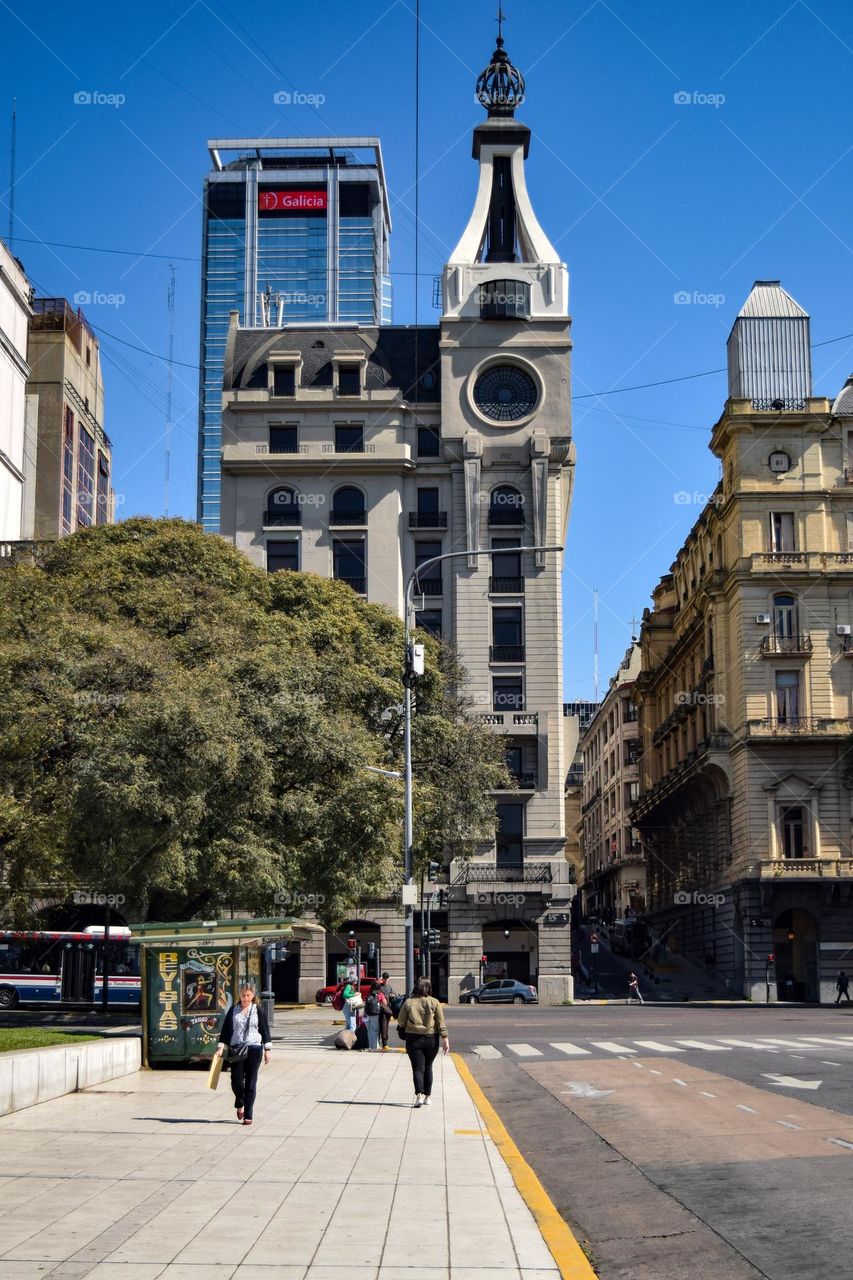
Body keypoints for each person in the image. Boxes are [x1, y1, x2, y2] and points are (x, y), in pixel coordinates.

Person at [215, 984, 271, 1125]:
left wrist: (267, 1050)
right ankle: (240, 1101)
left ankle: (248, 1115)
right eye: (242, 995)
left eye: (248, 995)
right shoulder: (233, 1010)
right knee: (236, 1080)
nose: (245, 998)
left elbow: (264, 1030)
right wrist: (221, 1047)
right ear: (239, 996)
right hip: (237, 1048)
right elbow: (226, 1030)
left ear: (253, 996)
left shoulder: (258, 1010)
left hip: (254, 1048)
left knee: (251, 1082)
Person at [396, 976, 449, 1107]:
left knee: (417, 1069)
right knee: (428, 1067)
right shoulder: (435, 1002)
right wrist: (445, 1039)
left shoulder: (408, 1002)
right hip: (431, 1039)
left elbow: (400, 1021)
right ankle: (428, 1097)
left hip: (413, 1039)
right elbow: (440, 1022)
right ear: (429, 988)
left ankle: (419, 1096)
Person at [363, 980, 383, 1051]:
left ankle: (371, 1046)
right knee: (374, 1031)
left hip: (367, 1015)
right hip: (374, 1015)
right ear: (377, 989)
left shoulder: (368, 994)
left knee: (369, 1031)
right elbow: (384, 1003)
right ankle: (374, 1047)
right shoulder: (377, 995)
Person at [379, 972, 394, 1050]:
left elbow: (393, 993)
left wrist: (392, 995)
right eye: (384, 978)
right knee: (383, 1025)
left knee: (386, 1026)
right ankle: (384, 1043)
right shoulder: (379, 986)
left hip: (388, 1008)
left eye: (387, 978)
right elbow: (377, 995)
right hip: (382, 1009)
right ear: (382, 978)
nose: (386, 980)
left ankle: (384, 1042)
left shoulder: (389, 986)